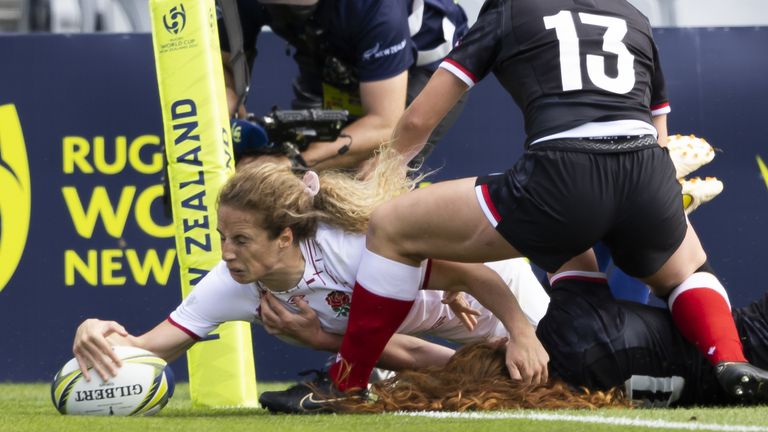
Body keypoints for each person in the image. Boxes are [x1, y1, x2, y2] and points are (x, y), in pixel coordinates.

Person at [309, 0, 768, 410]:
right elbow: (659, 134)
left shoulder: (508, 9)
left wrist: (385, 172)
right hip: (645, 169)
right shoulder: (634, 15)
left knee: (390, 225)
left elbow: (418, 118)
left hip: (563, 175)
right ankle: (728, 357)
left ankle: (345, 383)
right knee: (687, 271)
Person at [71, 151, 548, 394]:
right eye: (221, 237)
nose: (227, 254)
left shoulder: (349, 247)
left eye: (240, 240)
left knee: (576, 381)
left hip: (501, 298)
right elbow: (145, 351)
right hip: (442, 338)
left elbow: (473, 274)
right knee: (487, 387)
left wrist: (523, 332)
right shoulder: (231, 286)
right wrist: (94, 332)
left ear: (284, 237)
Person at [337, 272, 768, 412]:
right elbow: (577, 216)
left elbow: (429, 360)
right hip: (750, 337)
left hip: (735, 391)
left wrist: (329, 337)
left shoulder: (567, 398)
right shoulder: (565, 329)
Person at [219, 0, 469, 171]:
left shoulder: (376, 7)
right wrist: (229, 110)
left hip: (424, 64)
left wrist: (292, 163)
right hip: (329, 48)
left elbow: (384, 124)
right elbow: (224, 68)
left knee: (368, 176)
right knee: (297, 176)